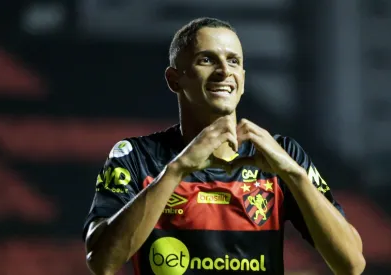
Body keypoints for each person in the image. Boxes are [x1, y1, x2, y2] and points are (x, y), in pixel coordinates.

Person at [82, 17, 365, 275]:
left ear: (242, 78)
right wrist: (177, 170)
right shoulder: (136, 157)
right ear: (174, 79)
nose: (223, 71)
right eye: (207, 60)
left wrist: (294, 176)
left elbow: (351, 264)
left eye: (233, 61)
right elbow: (102, 262)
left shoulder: (282, 155)